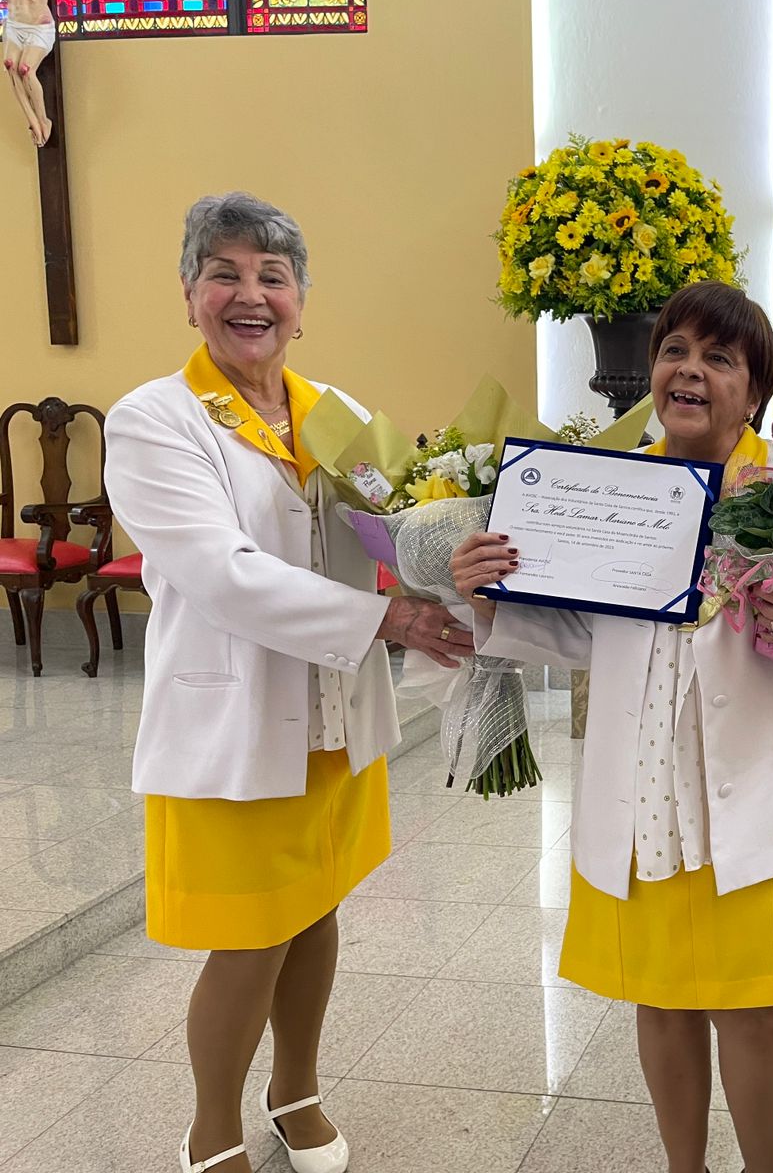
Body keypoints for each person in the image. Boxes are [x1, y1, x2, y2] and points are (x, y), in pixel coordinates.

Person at [449, 280, 773, 1173]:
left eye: (720, 358)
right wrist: (490, 596)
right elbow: (580, 633)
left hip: (755, 794)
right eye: (675, 350)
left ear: (755, 393)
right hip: (646, 791)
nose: (690, 371)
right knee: (662, 1000)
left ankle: (762, 1167)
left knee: (753, 1007)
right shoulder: (610, 490)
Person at [105, 192, 473, 1173]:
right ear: (190, 295)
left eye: (272, 276)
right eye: (223, 273)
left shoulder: (333, 414)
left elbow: (405, 529)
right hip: (235, 723)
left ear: (301, 302)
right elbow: (222, 572)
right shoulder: (156, 420)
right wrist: (389, 619)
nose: (250, 294)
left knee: (315, 912)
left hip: (332, 720)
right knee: (249, 941)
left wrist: (470, 574)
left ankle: (296, 1090)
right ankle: (212, 1130)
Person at [2, 0, 57, 147]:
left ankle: (43, 120)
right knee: (10, 66)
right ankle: (32, 120)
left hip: (38, 26)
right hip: (14, 24)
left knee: (25, 70)